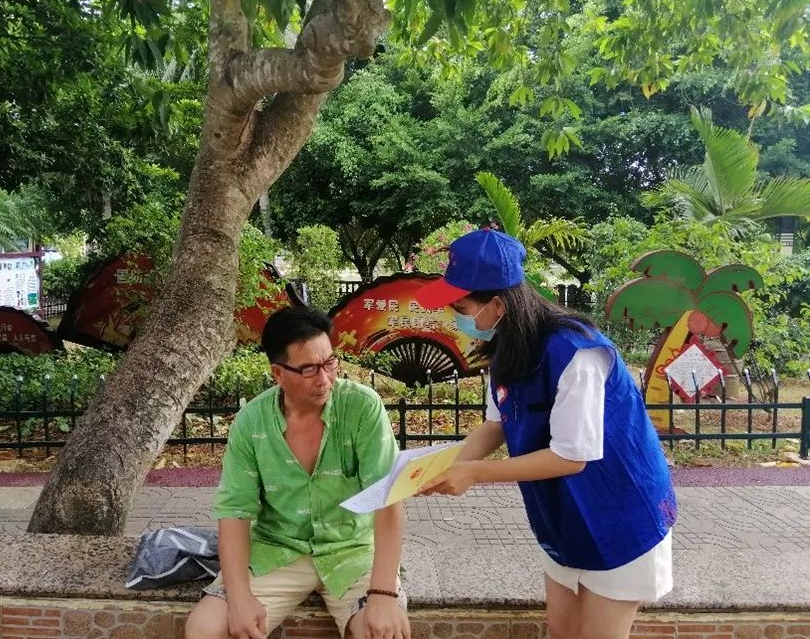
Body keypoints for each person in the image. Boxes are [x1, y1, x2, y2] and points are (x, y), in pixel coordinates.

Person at [414, 229, 677, 639]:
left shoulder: (576, 353)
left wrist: (474, 473)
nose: (455, 318)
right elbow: (497, 424)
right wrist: (445, 465)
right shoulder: (506, 348)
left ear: (498, 304)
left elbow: (571, 456)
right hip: (564, 514)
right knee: (561, 629)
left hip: (620, 512)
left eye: (460, 307)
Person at [185, 306, 410, 639]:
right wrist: (240, 597)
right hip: (277, 549)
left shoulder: (362, 407)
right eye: (308, 369)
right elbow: (234, 511)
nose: (324, 379)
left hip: (352, 550)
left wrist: (383, 593)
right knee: (205, 628)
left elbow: (388, 498)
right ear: (278, 373)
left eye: (329, 363)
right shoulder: (252, 422)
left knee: (381, 631)